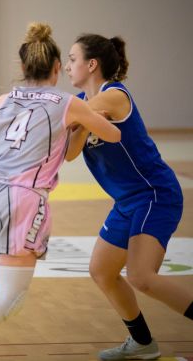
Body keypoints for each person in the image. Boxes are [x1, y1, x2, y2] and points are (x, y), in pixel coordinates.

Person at [0, 23, 121, 361]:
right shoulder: (67, 103)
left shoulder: (3, 100)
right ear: (58, 68)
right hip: (23, 199)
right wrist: (87, 119)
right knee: (10, 297)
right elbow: (113, 135)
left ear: (22, 68)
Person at [64, 33, 193, 360]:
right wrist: (73, 125)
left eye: (72, 59)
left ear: (91, 64)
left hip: (154, 194)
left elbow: (69, 119)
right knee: (102, 271)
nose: (67, 66)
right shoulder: (83, 103)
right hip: (127, 201)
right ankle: (142, 342)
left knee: (141, 277)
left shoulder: (113, 96)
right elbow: (69, 152)